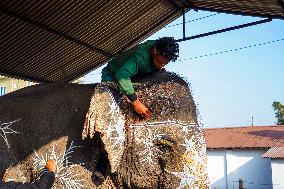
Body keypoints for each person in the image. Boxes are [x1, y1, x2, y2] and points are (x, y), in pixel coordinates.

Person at [101, 37, 179, 118]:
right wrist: (136, 102)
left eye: (165, 63)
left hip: (134, 76)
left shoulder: (160, 49)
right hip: (113, 74)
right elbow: (122, 75)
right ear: (154, 51)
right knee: (112, 105)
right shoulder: (141, 57)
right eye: (159, 62)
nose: (161, 66)